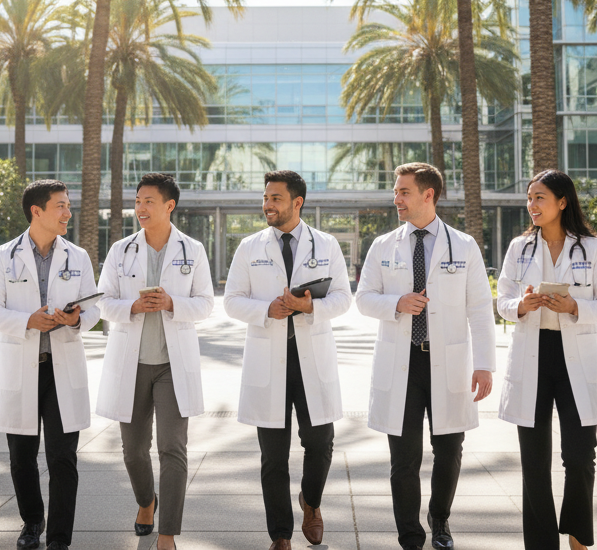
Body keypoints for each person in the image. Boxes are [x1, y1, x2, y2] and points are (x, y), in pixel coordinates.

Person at [357, 162, 496, 550]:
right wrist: (396, 303)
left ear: (427, 195)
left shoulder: (463, 245)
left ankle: (440, 517)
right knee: (404, 457)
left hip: (447, 361)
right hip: (403, 362)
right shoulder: (384, 245)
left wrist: (484, 365)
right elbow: (364, 299)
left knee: (449, 450)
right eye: (396, 191)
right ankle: (410, 536)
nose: (396, 198)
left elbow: (480, 310)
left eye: (403, 191)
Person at [224, 170, 353, 550]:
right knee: (273, 457)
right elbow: (232, 300)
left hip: (311, 360)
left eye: (276, 198)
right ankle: (280, 535)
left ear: (297, 202)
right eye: (266, 197)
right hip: (269, 360)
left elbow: (343, 298)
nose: (268, 205)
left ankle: (310, 503)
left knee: (320, 445)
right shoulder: (250, 247)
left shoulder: (326, 244)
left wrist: (308, 305)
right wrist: (267, 309)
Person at [495, 170, 597, 550]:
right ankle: (541, 543)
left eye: (540, 198)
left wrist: (574, 306)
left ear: (562, 202)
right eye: (529, 198)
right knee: (534, 463)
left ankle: (578, 535)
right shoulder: (519, 248)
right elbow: (502, 302)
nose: (532, 205)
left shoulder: (591, 248)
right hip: (533, 355)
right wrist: (521, 304)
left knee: (580, 457)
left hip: (575, 358)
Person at [97, 173, 215, 550]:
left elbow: (206, 303)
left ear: (169, 206)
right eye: (138, 201)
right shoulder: (121, 249)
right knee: (132, 450)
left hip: (171, 365)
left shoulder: (191, 249)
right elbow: (102, 300)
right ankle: (146, 502)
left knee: (172, 448)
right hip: (131, 364)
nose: (141, 208)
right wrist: (131, 305)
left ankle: (167, 533)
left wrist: (172, 304)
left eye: (149, 201)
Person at [0, 180, 101, 550]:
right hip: (21, 366)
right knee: (21, 457)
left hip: (61, 367)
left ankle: (60, 539)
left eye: (68, 206)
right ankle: (32, 522)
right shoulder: (3, 256)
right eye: (61, 206)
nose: (68, 213)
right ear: (37, 211)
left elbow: (94, 309)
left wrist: (76, 319)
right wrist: (27, 321)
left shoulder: (77, 256)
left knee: (63, 457)